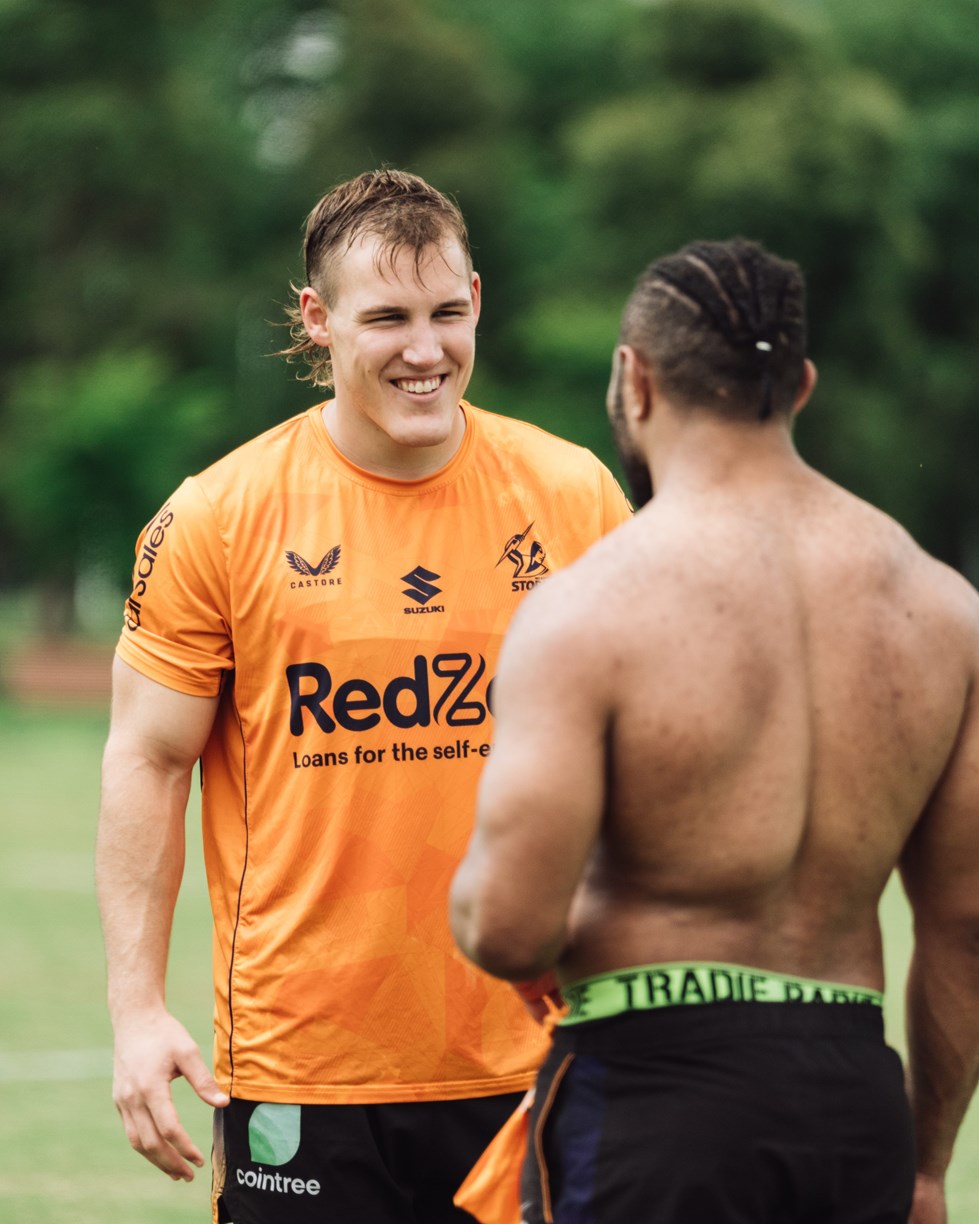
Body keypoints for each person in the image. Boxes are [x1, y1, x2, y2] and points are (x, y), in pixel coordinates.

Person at [95, 168, 632, 1224]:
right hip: (303, 1072)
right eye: (386, 318)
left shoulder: (576, 497)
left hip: (536, 1058)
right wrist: (136, 1010)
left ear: (476, 299)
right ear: (318, 318)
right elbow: (148, 758)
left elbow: (649, 753)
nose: (424, 350)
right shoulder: (219, 516)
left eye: (446, 313)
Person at [450, 238, 979, 1224]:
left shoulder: (586, 609)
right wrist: (924, 1164)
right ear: (800, 386)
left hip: (655, 1100)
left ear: (634, 379)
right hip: (854, 1102)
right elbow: (965, 925)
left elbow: (509, 925)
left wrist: (473, 889)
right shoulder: (943, 610)